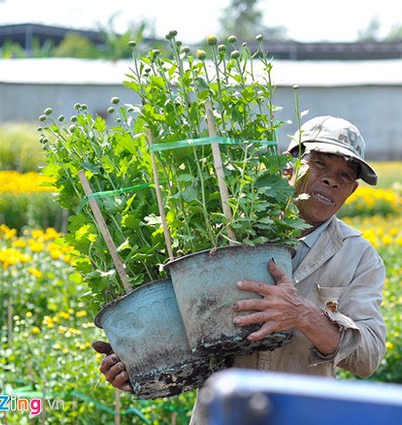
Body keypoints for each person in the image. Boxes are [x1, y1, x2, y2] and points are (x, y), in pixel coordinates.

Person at [92, 115, 387, 424]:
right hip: (220, 416)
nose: (331, 180)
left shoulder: (359, 258)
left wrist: (302, 314)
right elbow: (173, 320)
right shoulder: (224, 229)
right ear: (287, 167)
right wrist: (137, 358)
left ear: (351, 190)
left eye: (344, 174)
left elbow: (367, 356)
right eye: (319, 165)